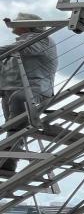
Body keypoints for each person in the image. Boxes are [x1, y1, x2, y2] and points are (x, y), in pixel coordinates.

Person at [0, 13, 57, 176]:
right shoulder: (21, 45)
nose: (13, 24)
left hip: (35, 90)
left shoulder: (42, 39)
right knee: (14, 126)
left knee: (16, 125)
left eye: (17, 22)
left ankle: (8, 160)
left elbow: (15, 50)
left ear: (28, 25)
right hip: (11, 92)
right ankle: (8, 161)